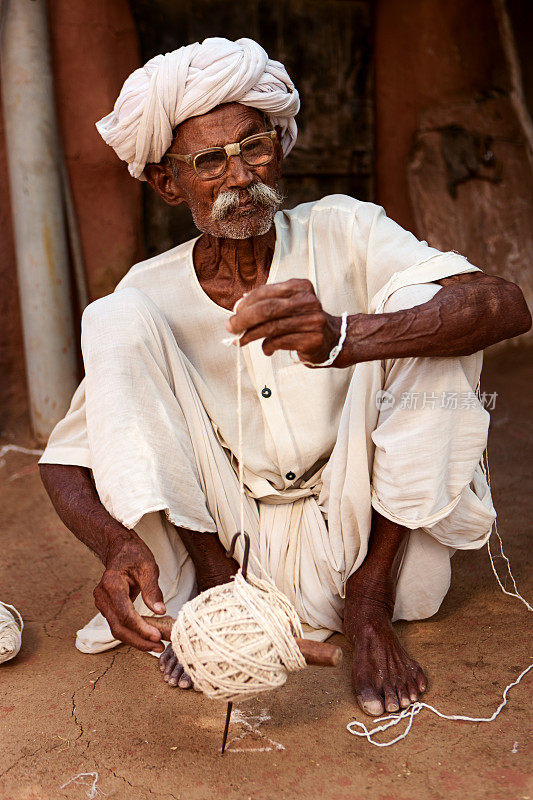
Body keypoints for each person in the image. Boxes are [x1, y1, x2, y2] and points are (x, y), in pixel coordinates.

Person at [39, 37, 531, 717]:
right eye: (208, 161)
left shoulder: (347, 230)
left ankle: (365, 607)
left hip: (369, 540)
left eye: (254, 148)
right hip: (219, 544)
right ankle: (222, 596)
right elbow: (63, 463)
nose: (239, 177)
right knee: (113, 318)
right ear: (166, 182)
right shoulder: (148, 292)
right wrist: (116, 544)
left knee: (434, 312)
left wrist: (344, 336)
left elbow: (503, 304)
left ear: (280, 146)